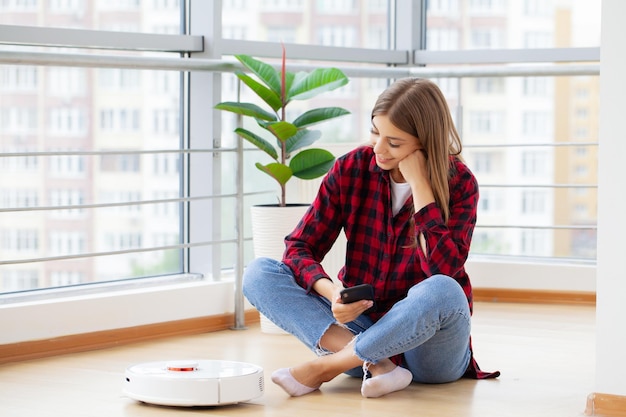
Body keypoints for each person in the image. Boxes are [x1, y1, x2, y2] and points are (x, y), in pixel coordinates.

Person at [243, 77, 500, 399]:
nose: (378, 148)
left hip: (430, 354)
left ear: (425, 142)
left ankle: (325, 368)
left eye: (394, 143)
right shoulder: (351, 169)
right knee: (259, 273)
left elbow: (444, 269)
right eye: (376, 132)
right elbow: (300, 247)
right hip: (360, 331)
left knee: (443, 289)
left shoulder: (460, 183)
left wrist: (420, 185)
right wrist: (332, 292)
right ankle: (379, 365)